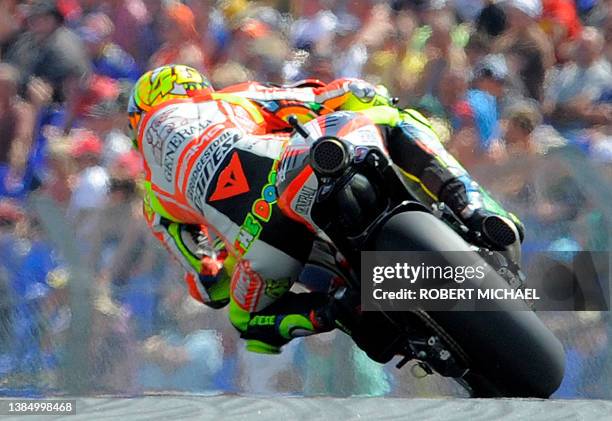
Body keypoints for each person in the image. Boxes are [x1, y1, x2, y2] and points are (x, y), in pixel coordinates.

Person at [129, 64, 524, 355]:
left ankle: (336, 309)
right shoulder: (226, 100)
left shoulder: (153, 198)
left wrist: (232, 250)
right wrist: (369, 99)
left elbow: (208, 284)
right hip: (292, 170)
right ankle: (471, 205)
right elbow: (321, 97)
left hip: (264, 245)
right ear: (197, 88)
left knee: (246, 321)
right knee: (394, 118)